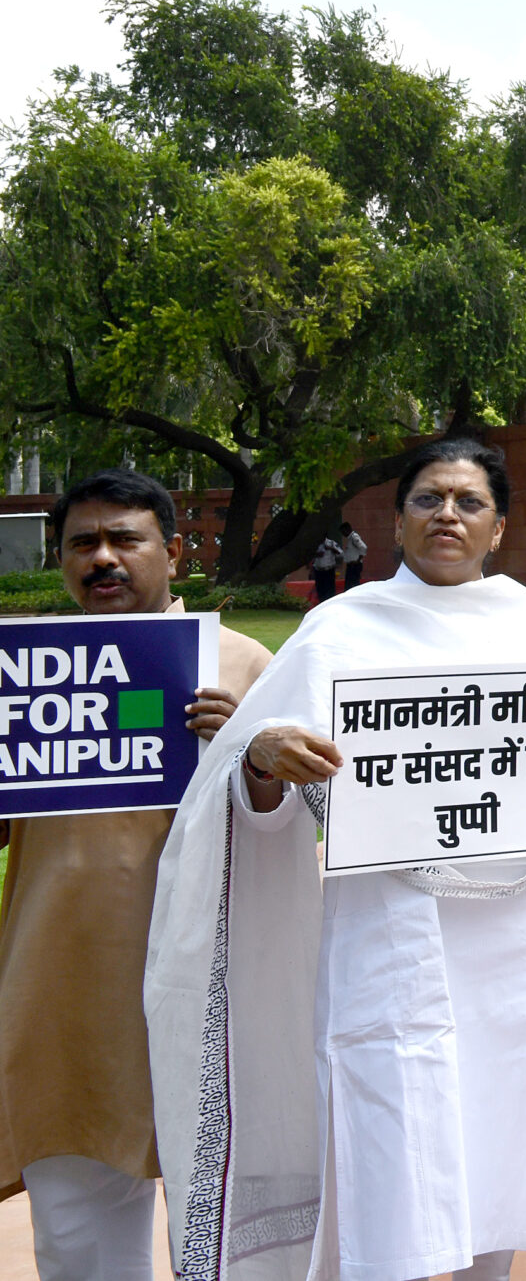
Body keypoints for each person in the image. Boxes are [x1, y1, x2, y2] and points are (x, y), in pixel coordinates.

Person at [146, 437, 526, 1281]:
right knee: (391, 1167)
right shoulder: (340, 632)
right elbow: (250, 794)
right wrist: (263, 760)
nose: (447, 514)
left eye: (469, 502)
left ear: (499, 530)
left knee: (497, 1161)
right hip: (389, 942)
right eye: (428, 499)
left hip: (512, 950)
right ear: (399, 520)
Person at [0, 471, 267, 1281]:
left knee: (234, 1233)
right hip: (66, 989)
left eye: (126, 539)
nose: (104, 558)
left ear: (174, 553)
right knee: (79, 1239)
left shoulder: (243, 665)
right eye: (84, 544)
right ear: (61, 561)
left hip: (220, 986)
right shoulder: (25, 672)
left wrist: (244, 754)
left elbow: (309, 821)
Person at [308, 530, 341, 603]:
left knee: (329, 590)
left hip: (329, 569)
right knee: (320, 589)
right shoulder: (315, 544)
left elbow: (340, 553)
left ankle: (330, 604)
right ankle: (321, 602)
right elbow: (309, 555)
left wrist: (331, 549)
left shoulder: (331, 543)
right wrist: (317, 554)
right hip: (318, 570)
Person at [338, 519, 369, 590]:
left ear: (347, 529)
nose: (343, 534)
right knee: (349, 585)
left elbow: (363, 547)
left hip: (354, 565)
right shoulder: (350, 539)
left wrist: (358, 560)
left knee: (353, 585)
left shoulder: (354, 537)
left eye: (343, 531)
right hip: (351, 565)